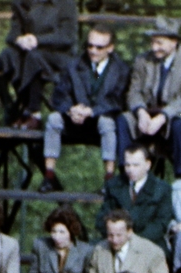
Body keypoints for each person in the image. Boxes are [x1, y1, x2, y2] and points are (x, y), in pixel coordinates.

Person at [42, 25, 128, 191]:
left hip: (100, 119)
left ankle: (109, 177)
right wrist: (71, 109)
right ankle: (49, 175)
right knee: (53, 119)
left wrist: (92, 111)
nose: (93, 50)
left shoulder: (121, 69)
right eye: (90, 46)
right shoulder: (73, 65)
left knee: (108, 123)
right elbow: (60, 95)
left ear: (110, 48)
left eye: (99, 47)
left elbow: (118, 101)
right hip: (74, 119)